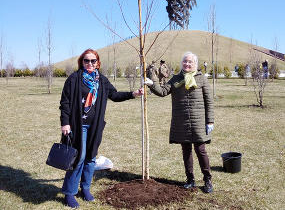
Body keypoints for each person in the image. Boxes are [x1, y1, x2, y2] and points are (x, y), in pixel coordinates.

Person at [59, 49, 144, 208]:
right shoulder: (74, 79)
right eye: (86, 60)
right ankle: (69, 193)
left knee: (91, 157)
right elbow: (65, 103)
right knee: (78, 157)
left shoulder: (102, 81)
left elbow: (115, 95)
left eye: (93, 61)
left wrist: (134, 93)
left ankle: (85, 189)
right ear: (81, 62)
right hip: (78, 125)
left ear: (98, 63)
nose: (90, 64)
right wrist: (65, 123)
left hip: (95, 126)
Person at [145, 51, 214, 193]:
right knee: (186, 150)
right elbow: (163, 91)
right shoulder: (176, 79)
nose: (187, 64)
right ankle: (190, 179)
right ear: (182, 63)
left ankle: (207, 180)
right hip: (182, 121)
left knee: (200, 150)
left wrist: (210, 121)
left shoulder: (201, 79)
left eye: (190, 62)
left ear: (195, 64)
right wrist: (152, 83)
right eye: (185, 61)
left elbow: (209, 101)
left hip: (199, 121)